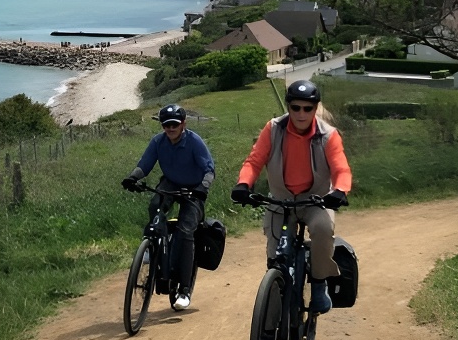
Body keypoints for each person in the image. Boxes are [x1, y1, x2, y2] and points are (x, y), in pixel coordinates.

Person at [231, 80, 351, 314]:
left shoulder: (329, 136)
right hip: (281, 201)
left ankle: (318, 285)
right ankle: (274, 303)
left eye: (307, 108)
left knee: (323, 230)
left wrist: (339, 190)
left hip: (316, 200)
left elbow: (341, 169)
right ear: (288, 107)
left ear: (316, 109)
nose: (301, 113)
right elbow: (254, 161)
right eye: (296, 108)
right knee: (275, 258)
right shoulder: (273, 129)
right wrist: (244, 184)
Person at [122, 103, 215, 311]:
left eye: (174, 124)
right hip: (171, 183)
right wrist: (133, 177)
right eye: (166, 125)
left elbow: (209, 169)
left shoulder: (194, 142)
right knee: (155, 204)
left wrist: (203, 187)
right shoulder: (158, 142)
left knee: (185, 231)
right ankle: (153, 245)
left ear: (183, 124)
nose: (170, 129)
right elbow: (145, 164)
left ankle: (184, 289)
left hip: (193, 189)